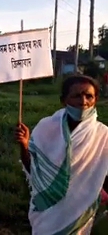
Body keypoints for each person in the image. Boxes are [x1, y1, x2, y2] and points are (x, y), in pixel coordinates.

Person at [15, 75, 108, 234]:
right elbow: (33, 169)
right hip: (48, 213)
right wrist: (24, 145)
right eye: (76, 96)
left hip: (79, 213)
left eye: (89, 96)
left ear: (95, 99)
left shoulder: (103, 135)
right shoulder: (46, 127)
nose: (83, 102)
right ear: (63, 100)